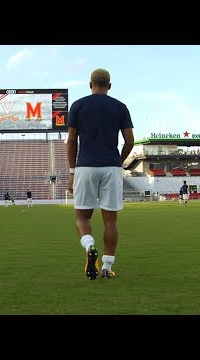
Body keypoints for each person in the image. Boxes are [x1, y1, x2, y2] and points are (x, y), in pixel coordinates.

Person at [67, 68, 134, 280]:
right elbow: (130, 140)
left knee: (82, 217)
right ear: (110, 85)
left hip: (85, 167)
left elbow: (71, 140)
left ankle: (89, 246)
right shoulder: (120, 107)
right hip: (111, 167)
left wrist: (71, 171)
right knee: (110, 222)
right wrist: (119, 161)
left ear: (90, 84)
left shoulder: (78, 105)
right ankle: (107, 267)